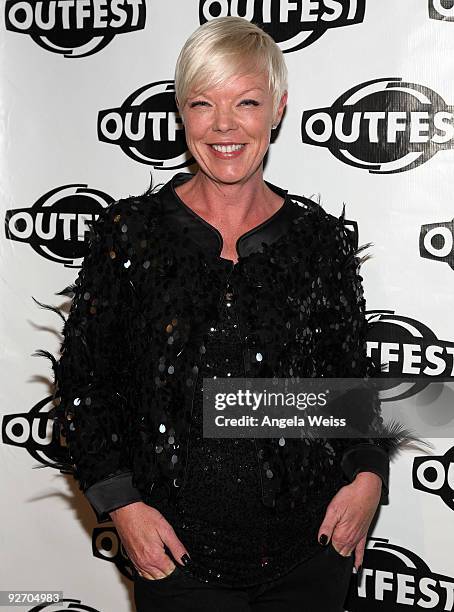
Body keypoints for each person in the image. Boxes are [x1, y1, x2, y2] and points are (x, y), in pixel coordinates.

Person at [37, 16, 413, 612]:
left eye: (247, 102)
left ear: (279, 109)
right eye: (202, 103)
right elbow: (86, 386)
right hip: (178, 561)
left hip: (312, 554)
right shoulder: (129, 235)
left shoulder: (319, 240)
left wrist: (368, 476)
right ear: (182, 113)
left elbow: (350, 384)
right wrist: (123, 505)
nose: (224, 125)